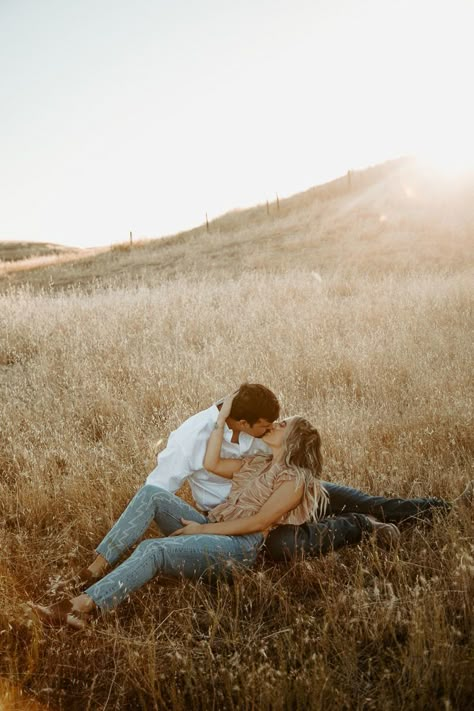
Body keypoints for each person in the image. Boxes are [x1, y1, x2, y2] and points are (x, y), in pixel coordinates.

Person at [32, 393, 379, 629]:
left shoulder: (295, 480)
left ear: (295, 440)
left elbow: (258, 523)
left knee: (153, 549)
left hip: (239, 550)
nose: (276, 423)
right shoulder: (256, 460)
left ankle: (81, 608)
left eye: (284, 424)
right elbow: (211, 462)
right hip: (214, 526)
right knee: (152, 493)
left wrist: (198, 531)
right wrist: (222, 418)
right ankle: (95, 567)